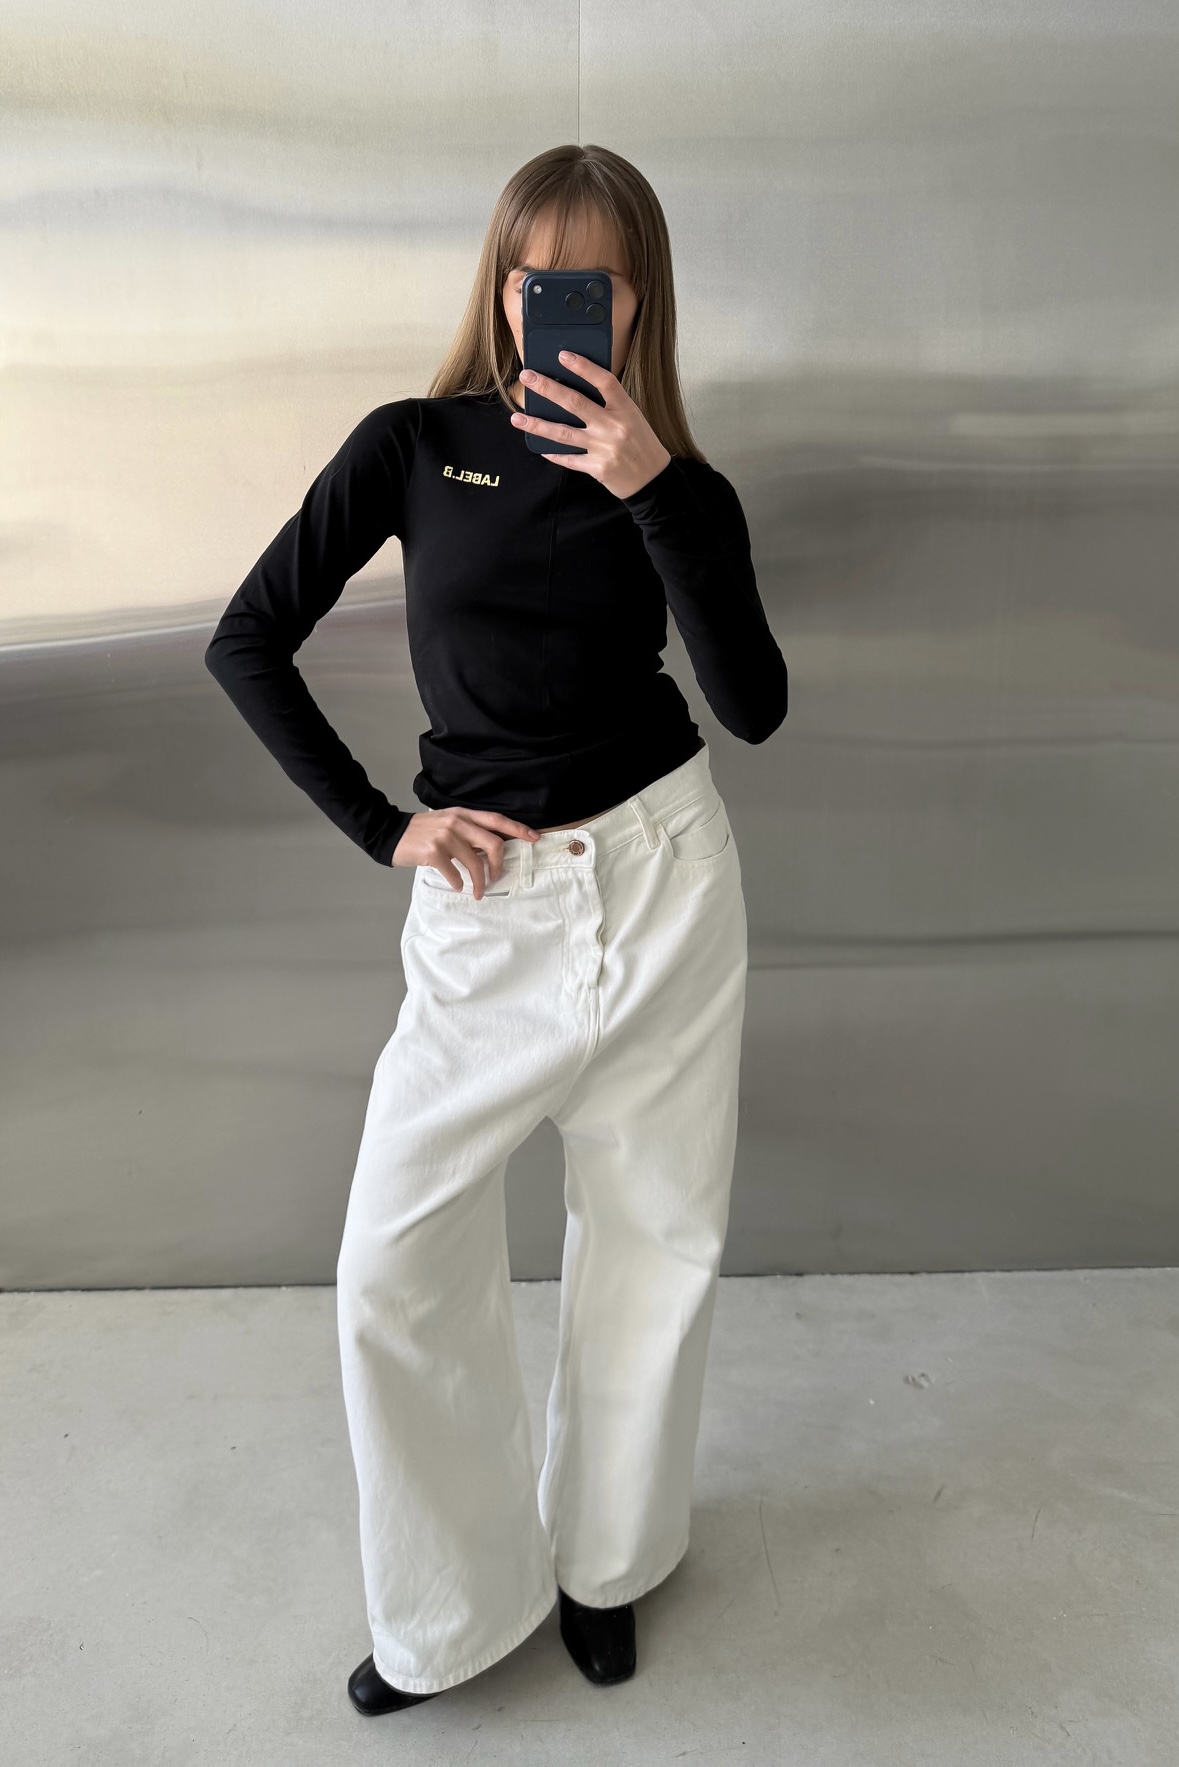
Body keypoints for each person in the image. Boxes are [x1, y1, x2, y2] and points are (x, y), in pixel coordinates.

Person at [204, 142, 788, 1716]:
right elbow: (247, 638)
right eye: (536, 281)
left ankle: (609, 1565)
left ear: (638, 303)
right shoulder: (413, 446)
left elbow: (753, 706)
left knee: (655, 1238)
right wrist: (383, 825)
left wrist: (651, 488)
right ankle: (452, 1611)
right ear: (502, 288)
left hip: (666, 882)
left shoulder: (682, 487)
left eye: (594, 283)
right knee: (393, 1263)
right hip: (486, 912)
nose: (558, 308)